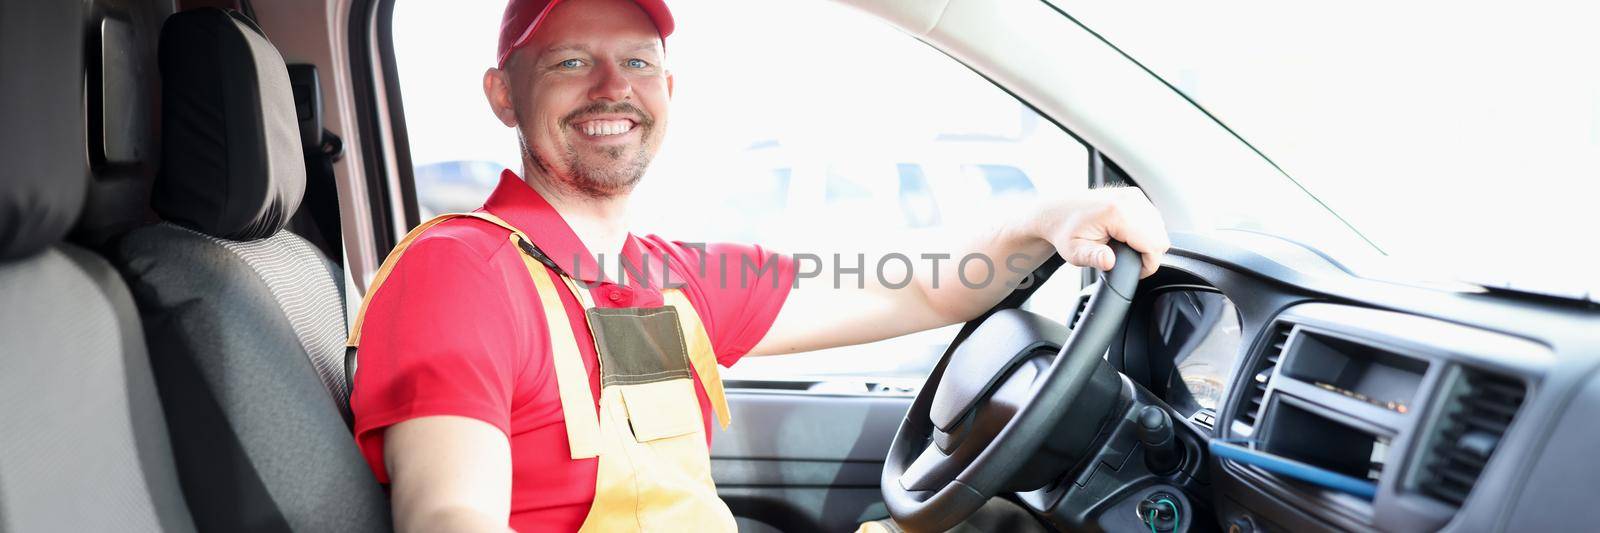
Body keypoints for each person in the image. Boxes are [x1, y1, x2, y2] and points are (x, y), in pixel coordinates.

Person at [346, 0, 1170, 531]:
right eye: (569, 61)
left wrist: (1050, 216)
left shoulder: (670, 278)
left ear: (667, 87)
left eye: (635, 62)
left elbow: (918, 282)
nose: (610, 87)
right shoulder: (458, 272)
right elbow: (451, 514)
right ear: (502, 93)